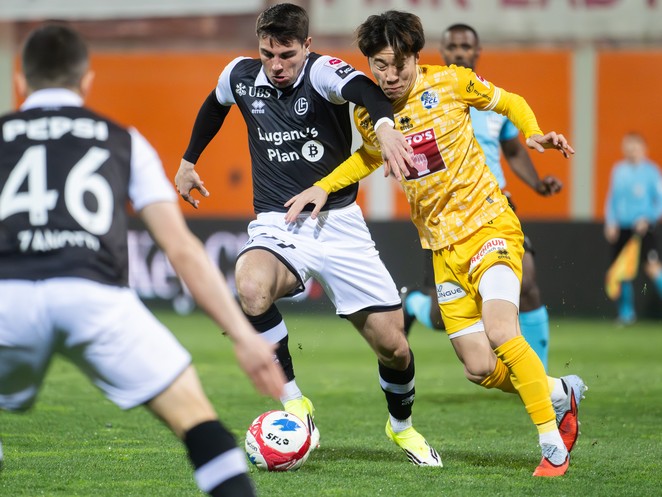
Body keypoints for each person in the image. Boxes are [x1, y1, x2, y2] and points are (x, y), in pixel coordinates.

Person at [285, 10, 587, 477]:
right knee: (479, 367)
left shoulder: (451, 83)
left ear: (415, 57)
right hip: (443, 249)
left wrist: (533, 134)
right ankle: (558, 391)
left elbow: (509, 101)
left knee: (502, 331)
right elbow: (369, 157)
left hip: (489, 226)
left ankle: (552, 444)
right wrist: (324, 186)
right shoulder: (370, 114)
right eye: (379, 65)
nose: (388, 76)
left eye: (397, 64)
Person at [0, 24, 287, 496]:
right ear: (86, 81)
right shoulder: (123, 140)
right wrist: (243, 337)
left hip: (7, 296)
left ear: (19, 80)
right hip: (94, 298)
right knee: (198, 423)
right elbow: (181, 249)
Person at [174, 3, 440, 466]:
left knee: (394, 347)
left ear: (307, 46)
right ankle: (294, 401)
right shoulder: (240, 75)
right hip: (280, 222)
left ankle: (402, 429)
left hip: (340, 224)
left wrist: (384, 127)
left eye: (287, 55)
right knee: (250, 284)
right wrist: (188, 161)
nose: (276, 65)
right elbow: (215, 104)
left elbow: (366, 91)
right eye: (268, 55)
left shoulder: (322, 73)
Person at [399, 23, 561, 371]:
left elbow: (512, 149)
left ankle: (541, 377)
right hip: (446, 214)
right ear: (443, 52)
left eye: (465, 46)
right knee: (442, 315)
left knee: (527, 284)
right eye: (453, 46)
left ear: (476, 51)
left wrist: (537, 184)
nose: (459, 52)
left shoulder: (488, 97)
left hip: (493, 202)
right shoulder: (429, 94)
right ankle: (412, 303)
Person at [604, 131, 662, 325]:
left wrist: (648, 218)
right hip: (622, 227)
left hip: (644, 228)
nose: (631, 151)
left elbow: (660, 201)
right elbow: (612, 198)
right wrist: (610, 221)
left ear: (643, 149)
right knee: (622, 270)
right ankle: (626, 314)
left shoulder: (652, 172)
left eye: (635, 147)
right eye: (628, 147)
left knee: (653, 267)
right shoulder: (619, 170)